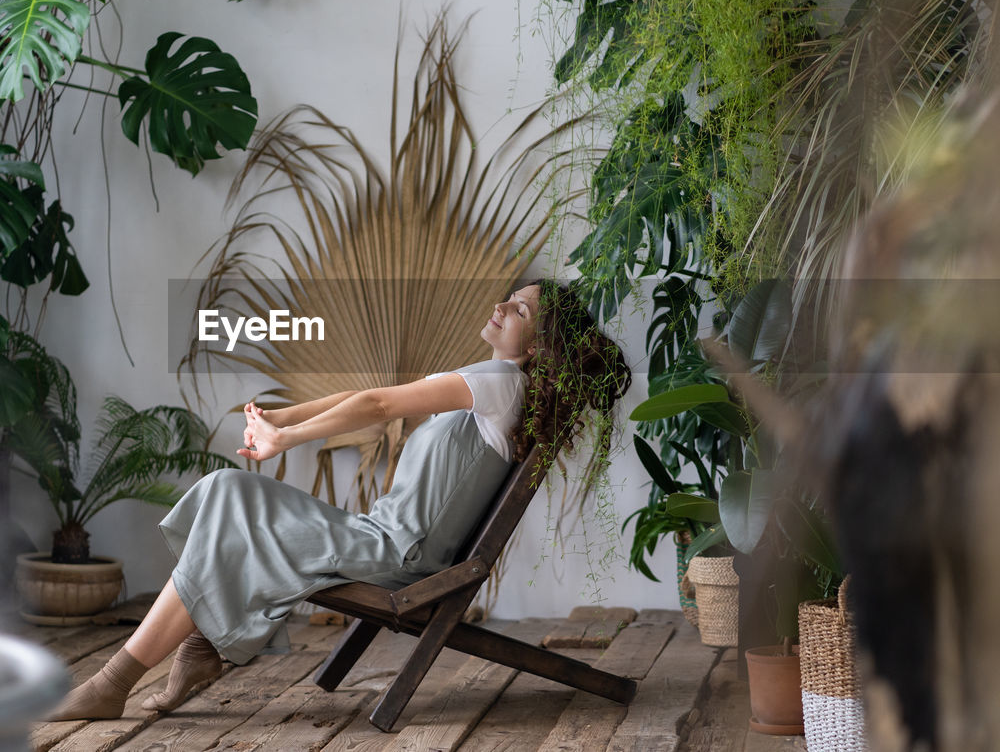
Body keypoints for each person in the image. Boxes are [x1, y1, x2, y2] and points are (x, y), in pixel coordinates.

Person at [46, 279, 632, 721]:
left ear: (537, 346)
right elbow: (365, 395)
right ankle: (192, 648)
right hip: (383, 539)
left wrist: (287, 439)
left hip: (398, 555)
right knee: (227, 494)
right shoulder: (501, 386)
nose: (502, 307)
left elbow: (377, 406)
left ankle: (115, 682)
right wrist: (283, 416)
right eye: (509, 298)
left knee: (229, 495)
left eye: (521, 309)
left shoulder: (501, 382)